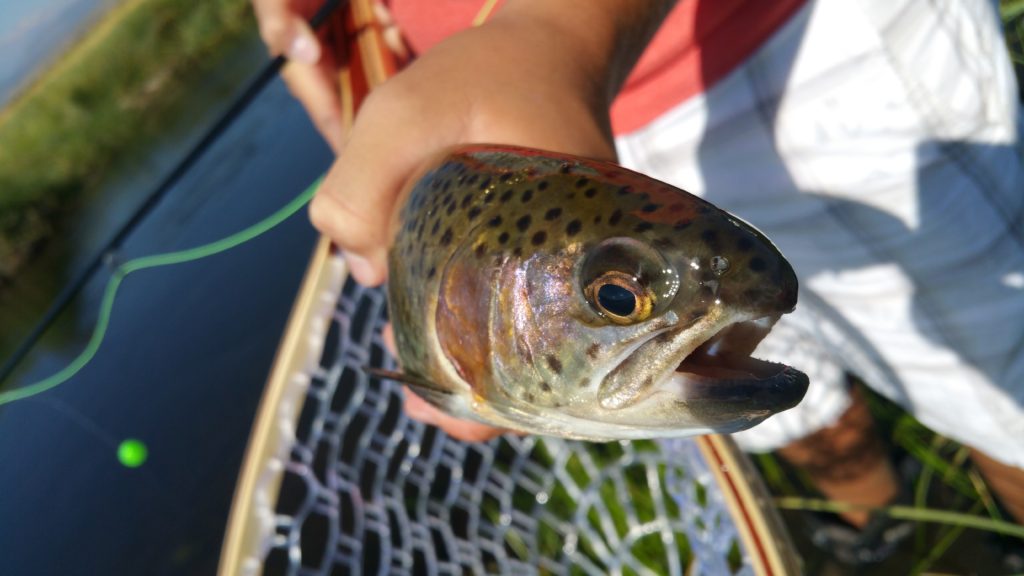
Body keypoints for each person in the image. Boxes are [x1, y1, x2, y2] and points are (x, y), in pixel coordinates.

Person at [252, 0, 1024, 552]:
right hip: (532, 114)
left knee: (1002, 379)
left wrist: (558, 28)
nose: (621, 301)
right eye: (618, 299)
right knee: (775, 400)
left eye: (613, 297)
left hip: (816, 53)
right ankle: (886, 535)